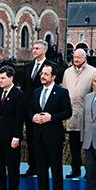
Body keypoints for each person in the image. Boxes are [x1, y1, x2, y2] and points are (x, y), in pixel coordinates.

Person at [27, 64, 72, 190]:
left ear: (53, 77)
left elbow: (67, 112)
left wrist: (51, 117)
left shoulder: (61, 92)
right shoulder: (36, 92)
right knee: (40, 170)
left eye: (46, 74)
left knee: (56, 170)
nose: (42, 76)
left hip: (53, 137)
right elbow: (30, 110)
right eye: (42, 73)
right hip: (38, 136)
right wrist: (32, 117)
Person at [21, 39, 57, 176]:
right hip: (29, 111)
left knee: (44, 140)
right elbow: (24, 88)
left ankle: (44, 166)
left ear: (44, 50)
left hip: (44, 110)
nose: (34, 50)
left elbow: (54, 89)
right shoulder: (28, 66)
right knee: (31, 139)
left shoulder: (51, 66)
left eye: (37, 48)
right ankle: (32, 166)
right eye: (33, 48)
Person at [62, 48, 96, 179]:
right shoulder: (67, 72)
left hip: (87, 116)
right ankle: (75, 169)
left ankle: (90, 170)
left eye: (79, 57)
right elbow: (64, 92)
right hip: (71, 115)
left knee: (89, 147)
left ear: (85, 58)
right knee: (74, 145)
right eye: (74, 57)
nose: (76, 59)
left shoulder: (94, 72)